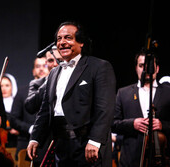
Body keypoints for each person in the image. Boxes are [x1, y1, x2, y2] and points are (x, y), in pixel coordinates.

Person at [27, 21, 116, 167]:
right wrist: (35, 138)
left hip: (87, 144)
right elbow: (45, 110)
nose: (62, 42)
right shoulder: (54, 73)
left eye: (68, 38)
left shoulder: (99, 67)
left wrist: (94, 141)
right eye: (59, 39)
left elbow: (105, 108)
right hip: (61, 145)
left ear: (81, 42)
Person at [112, 49, 170, 167]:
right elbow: (113, 124)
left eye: (150, 66)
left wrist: (163, 125)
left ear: (157, 68)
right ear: (136, 68)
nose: (145, 69)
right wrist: (133, 123)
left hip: (160, 159)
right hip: (130, 161)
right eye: (141, 66)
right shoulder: (123, 93)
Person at [25, 46, 63, 114]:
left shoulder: (70, 79)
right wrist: (48, 82)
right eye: (51, 60)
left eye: (59, 60)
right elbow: (29, 107)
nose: (55, 64)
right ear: (46, 63)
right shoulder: (37, 83)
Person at [0, 73, 19, 147]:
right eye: (1, 86)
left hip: (16, 141)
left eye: (7, 85)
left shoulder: (18, 103)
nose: (4, 89)